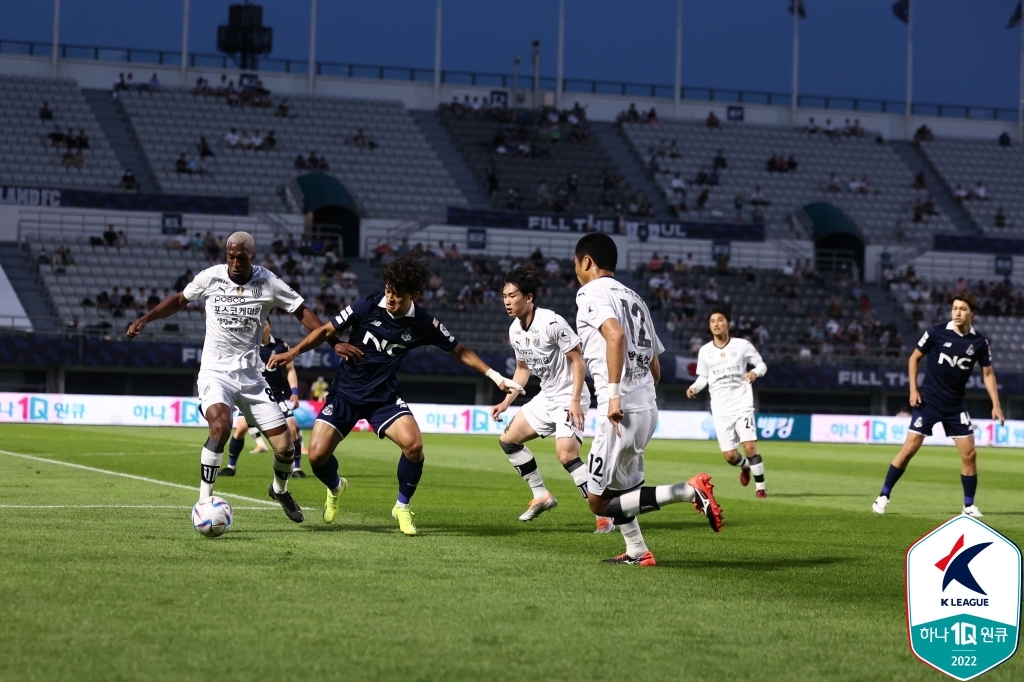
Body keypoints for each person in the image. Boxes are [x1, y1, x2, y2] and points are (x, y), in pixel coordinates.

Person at [266, 253, 523, 535]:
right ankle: (336, 487)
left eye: (397, 295)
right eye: (388, 290)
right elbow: (326, 329)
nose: (390, 298)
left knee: (414, 446)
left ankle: (402, 506)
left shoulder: (423, 323)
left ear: (413, 294)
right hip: (346, 394)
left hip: (383, 398)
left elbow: (460, 350)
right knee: (316, 457)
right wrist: (291, 353)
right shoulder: (366, 305)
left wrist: (496, 377)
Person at [127, 231, 358, 523]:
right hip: (215, 373)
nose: (235, 262)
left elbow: (303, 312)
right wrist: (146, 318)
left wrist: (333, 342)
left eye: (241, 257)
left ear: (253, 257)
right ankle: (203, 501)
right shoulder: (210, 277)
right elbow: (179, 300)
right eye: (230, 257)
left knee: (286, 448)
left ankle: (279, 489)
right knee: (221, 427)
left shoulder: (268, 282)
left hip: (252, 377)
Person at [573, 233, 723, 566]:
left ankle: (689, 490)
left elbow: (616, 335)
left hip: (619, 409)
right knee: (623, 493)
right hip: (645, 405)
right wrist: (639, 395)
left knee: (598, 503)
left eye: (576, 264)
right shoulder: (634, 296)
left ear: (586, 261)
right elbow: (655, 364)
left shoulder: (590, 292)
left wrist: (613, 395)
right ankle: (638, 551)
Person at [489, 267, 612, 532]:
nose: (507, 301)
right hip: (548, 396)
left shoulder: (552, 322)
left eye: (513, 295)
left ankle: (604, 513)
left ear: (529, 297)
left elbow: (578, 360)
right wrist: (506, 401)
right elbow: (522, 370)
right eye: (504, 296)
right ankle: (541, 495)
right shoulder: (515, 331)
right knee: (508, 441)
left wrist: (575, 400)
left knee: (566, 454)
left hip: (571, 394)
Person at [871, 292, 1003, 518]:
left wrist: (996, 404)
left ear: (972, 313)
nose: (957, 313)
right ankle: (883, 495)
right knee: (910, 448)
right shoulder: (936, 332)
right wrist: (913, 389)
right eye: (954, 308)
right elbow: (913, 358)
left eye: (962, 309)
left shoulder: (979, 343)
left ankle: (968, 506)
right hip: (929, 401)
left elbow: (988, 374)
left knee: (970, 454)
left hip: (955, 405)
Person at [686, 309, 768, 497]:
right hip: (721, 408)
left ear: (728, 324)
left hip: (742, 403)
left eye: (720, 320)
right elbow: (702, 378)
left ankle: (760, 488)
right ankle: (745, 467)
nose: (716, 324)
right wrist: (694, 388)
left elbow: (761, 365)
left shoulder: (742, 345)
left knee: (749, 446)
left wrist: (754, 373)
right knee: (730, 456)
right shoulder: (705, 351)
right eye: (712, 321)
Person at [221, 319, 306, 479]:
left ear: (269, 326)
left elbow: (290, 370)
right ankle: (231, 466)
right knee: (241, 428)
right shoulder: (246, 347)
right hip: (250, 395)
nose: (261, 327)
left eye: (264, 324)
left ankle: (297, 469)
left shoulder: (281, 346)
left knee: (292, 428)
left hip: (276, 396)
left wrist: (294, 392)